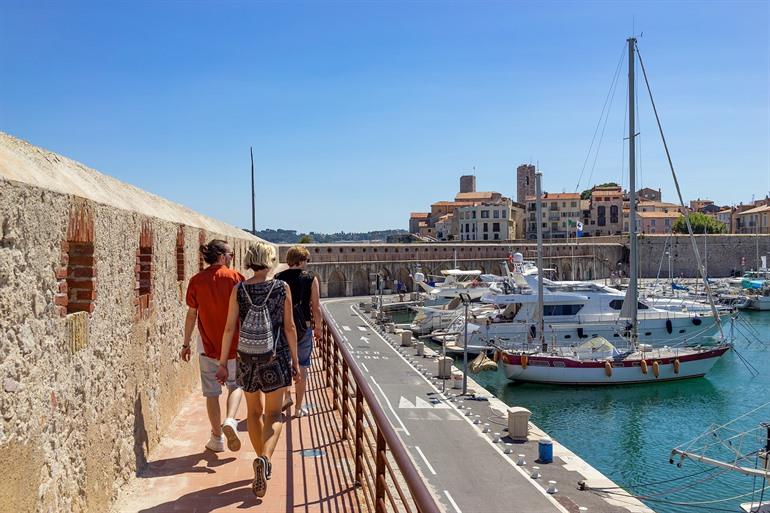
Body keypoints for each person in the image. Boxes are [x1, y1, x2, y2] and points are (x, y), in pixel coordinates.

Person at [216, 241, 300, 498]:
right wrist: (295, 362)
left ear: (250, 259)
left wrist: (222, 362)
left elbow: (230, 328)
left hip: (246, 358)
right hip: (275, 357)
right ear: (270, 260)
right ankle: (265, 459)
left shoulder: (238, 289)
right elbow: (289, 328)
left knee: (254, 412)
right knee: (274, 415)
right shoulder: (281, 287)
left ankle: (259, 459)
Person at [181, 240, 244, 453]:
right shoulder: (236, 278)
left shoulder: (196, 281)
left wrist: (185, 343)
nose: (231, 257)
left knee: (211, 393)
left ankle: (217, 439)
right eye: (230, 253)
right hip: (234, 346)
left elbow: (192, 314)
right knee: (236, 385)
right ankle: (230, 420)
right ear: (220, 255)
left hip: (207, 346)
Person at [275, 246, 321, 417]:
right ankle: (298, 408)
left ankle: (286, 395)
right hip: (304, 327)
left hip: (283, 327)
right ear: (301, 260)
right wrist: (318, 328)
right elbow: (315, 306)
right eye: (307, 260)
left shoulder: (278, 277)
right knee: (302, 365)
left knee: (285, 362)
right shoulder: (310, 278)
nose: (307, 264)